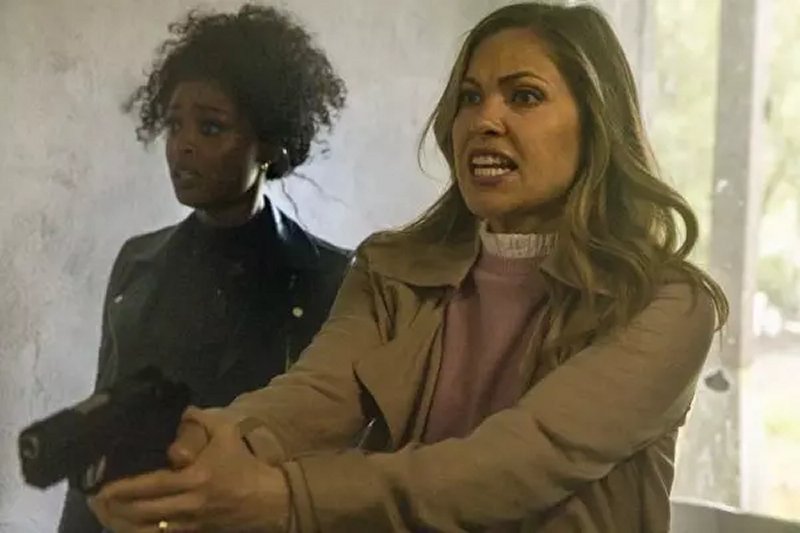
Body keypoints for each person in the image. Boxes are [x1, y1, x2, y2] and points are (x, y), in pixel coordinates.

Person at [89, 2, 729, 532]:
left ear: (598, 124)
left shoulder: (666, 304)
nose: (484, 120)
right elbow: (315, 395)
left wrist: (285, 499)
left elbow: (512, 464)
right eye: (470, 97)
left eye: (524, 96)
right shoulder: (393, 269)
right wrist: (200, 446)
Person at [57, 4, 349, 532]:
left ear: (268, 144)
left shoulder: (330, 278)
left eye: (211, 127)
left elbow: (332, 458)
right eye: (174, 125)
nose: (183, 145)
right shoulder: (138, 265)